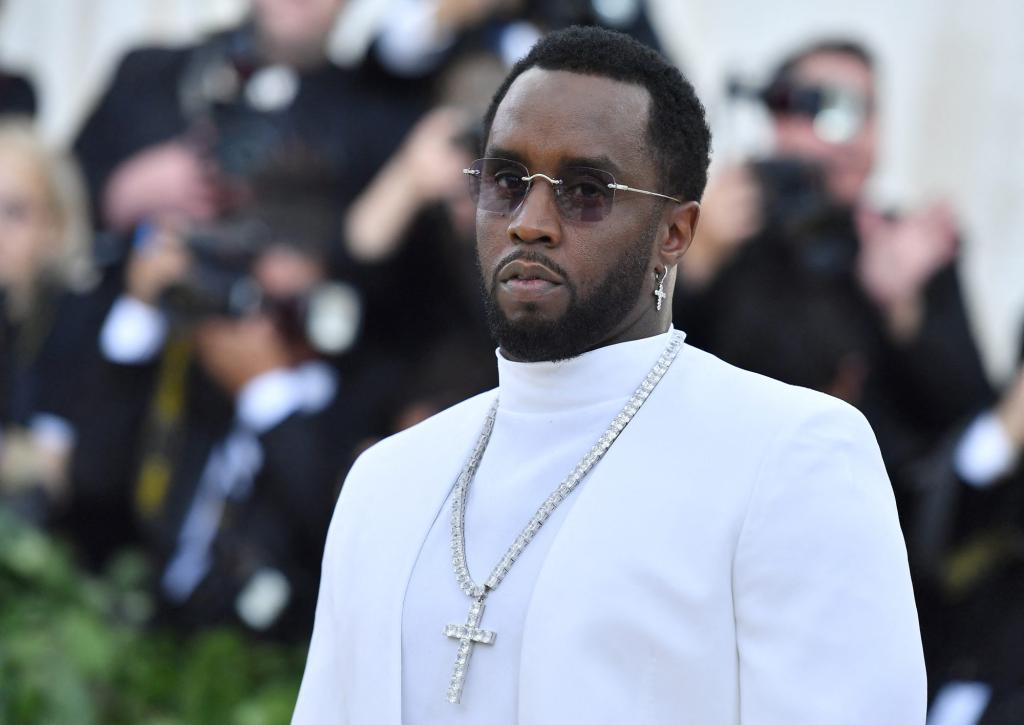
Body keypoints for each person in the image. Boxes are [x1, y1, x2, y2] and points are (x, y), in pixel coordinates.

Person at [293, 26, 925, 723]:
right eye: (505, 181)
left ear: (675, 233)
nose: (530, 222)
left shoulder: (789, 453)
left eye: (586, 191)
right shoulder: (387, 478)